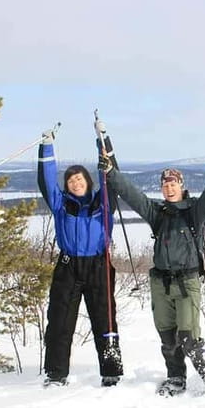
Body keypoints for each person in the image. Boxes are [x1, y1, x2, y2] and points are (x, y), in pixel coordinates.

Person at [98, 121, 205, 397]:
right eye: (164, 184)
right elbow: (132, 194)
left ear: (181, 187)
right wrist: (110, 172)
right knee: (168, 337)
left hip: (187, 282)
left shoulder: (193, 212)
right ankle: (176, 378)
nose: (168, 188)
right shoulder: (158, 214)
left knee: (189, 338)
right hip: (161, 283)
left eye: (173, 183)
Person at [37, 129, 123, 387]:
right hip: (69, 266)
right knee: (60, 321)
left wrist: (103, 139)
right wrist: (47, 146)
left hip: (98, 264)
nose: (75, 183)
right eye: (71, 180)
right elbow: (46, 180)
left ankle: (111, 372)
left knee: (105, 319)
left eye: (80, 178)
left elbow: (110, 174)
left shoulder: (104, 201)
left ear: (89, 181)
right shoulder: (61, 204)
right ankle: (56, 373)